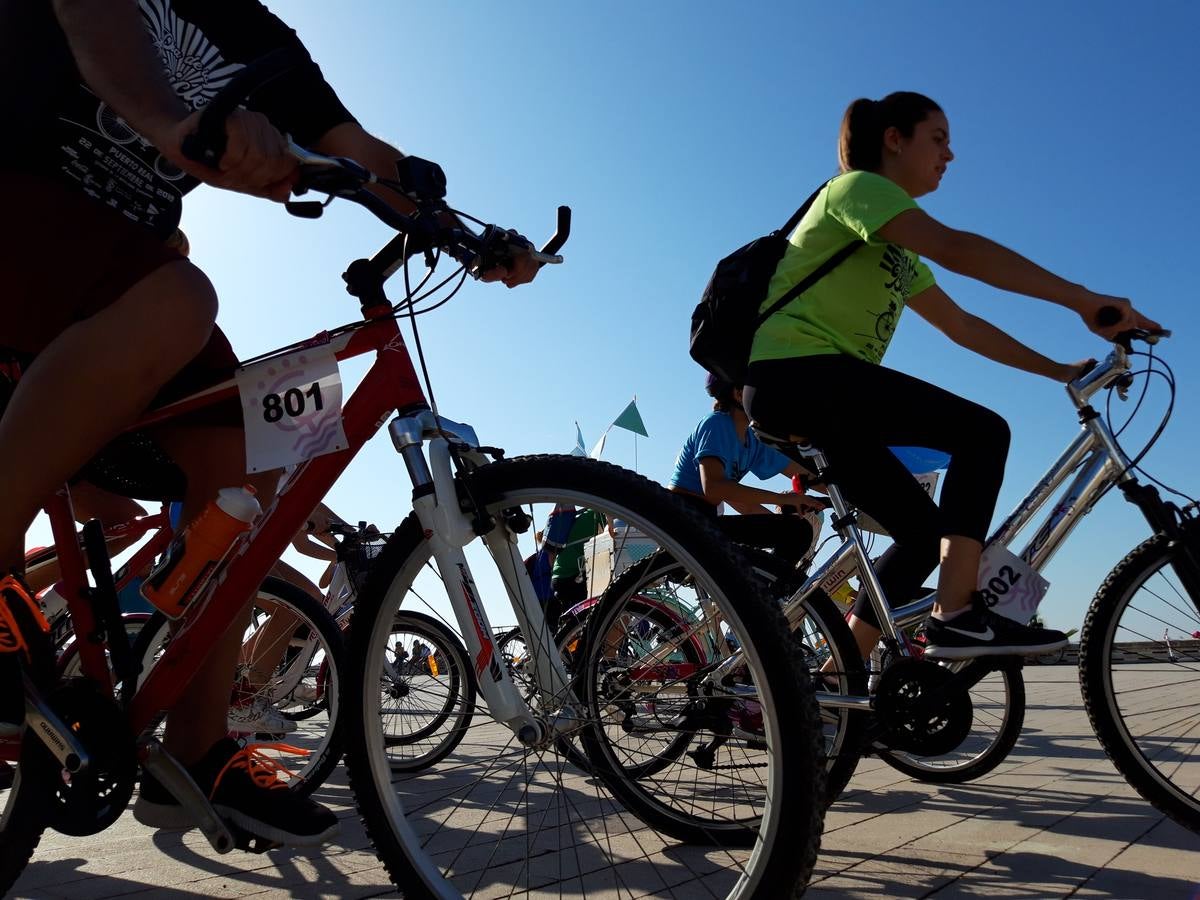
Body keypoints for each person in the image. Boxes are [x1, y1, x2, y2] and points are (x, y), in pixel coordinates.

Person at [0, 0, 539, 848]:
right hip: (18, 201)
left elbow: (358, 152)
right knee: (183, 297)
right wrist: (176, 120)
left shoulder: (259, 38)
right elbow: (95, 27)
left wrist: (459, 230)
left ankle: (198, 750)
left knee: (252, 446)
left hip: (114, 271)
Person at [741, 92, 1162, 662]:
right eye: (938, 138)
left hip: (824, 392)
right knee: (983, 433)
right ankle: (957, 615)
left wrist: (1059, 370)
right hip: (798, 373)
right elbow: (956, 247)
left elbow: (962, 326)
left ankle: (839, 678)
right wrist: (1082, 300)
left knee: (920, 539)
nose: (950, 155)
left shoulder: (899, 256)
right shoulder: (856, 189)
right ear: (894, 138)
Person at [669, 374, 825, 570]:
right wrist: (784, 500)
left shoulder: (752, 439)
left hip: (707, 519)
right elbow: (714, 488)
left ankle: (766, 592)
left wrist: (846, 494)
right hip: (683, 518)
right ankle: (765, 593)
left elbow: (807, 476)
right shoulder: (716, 424)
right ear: (739, 394)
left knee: (795, 532)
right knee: (796, 532)